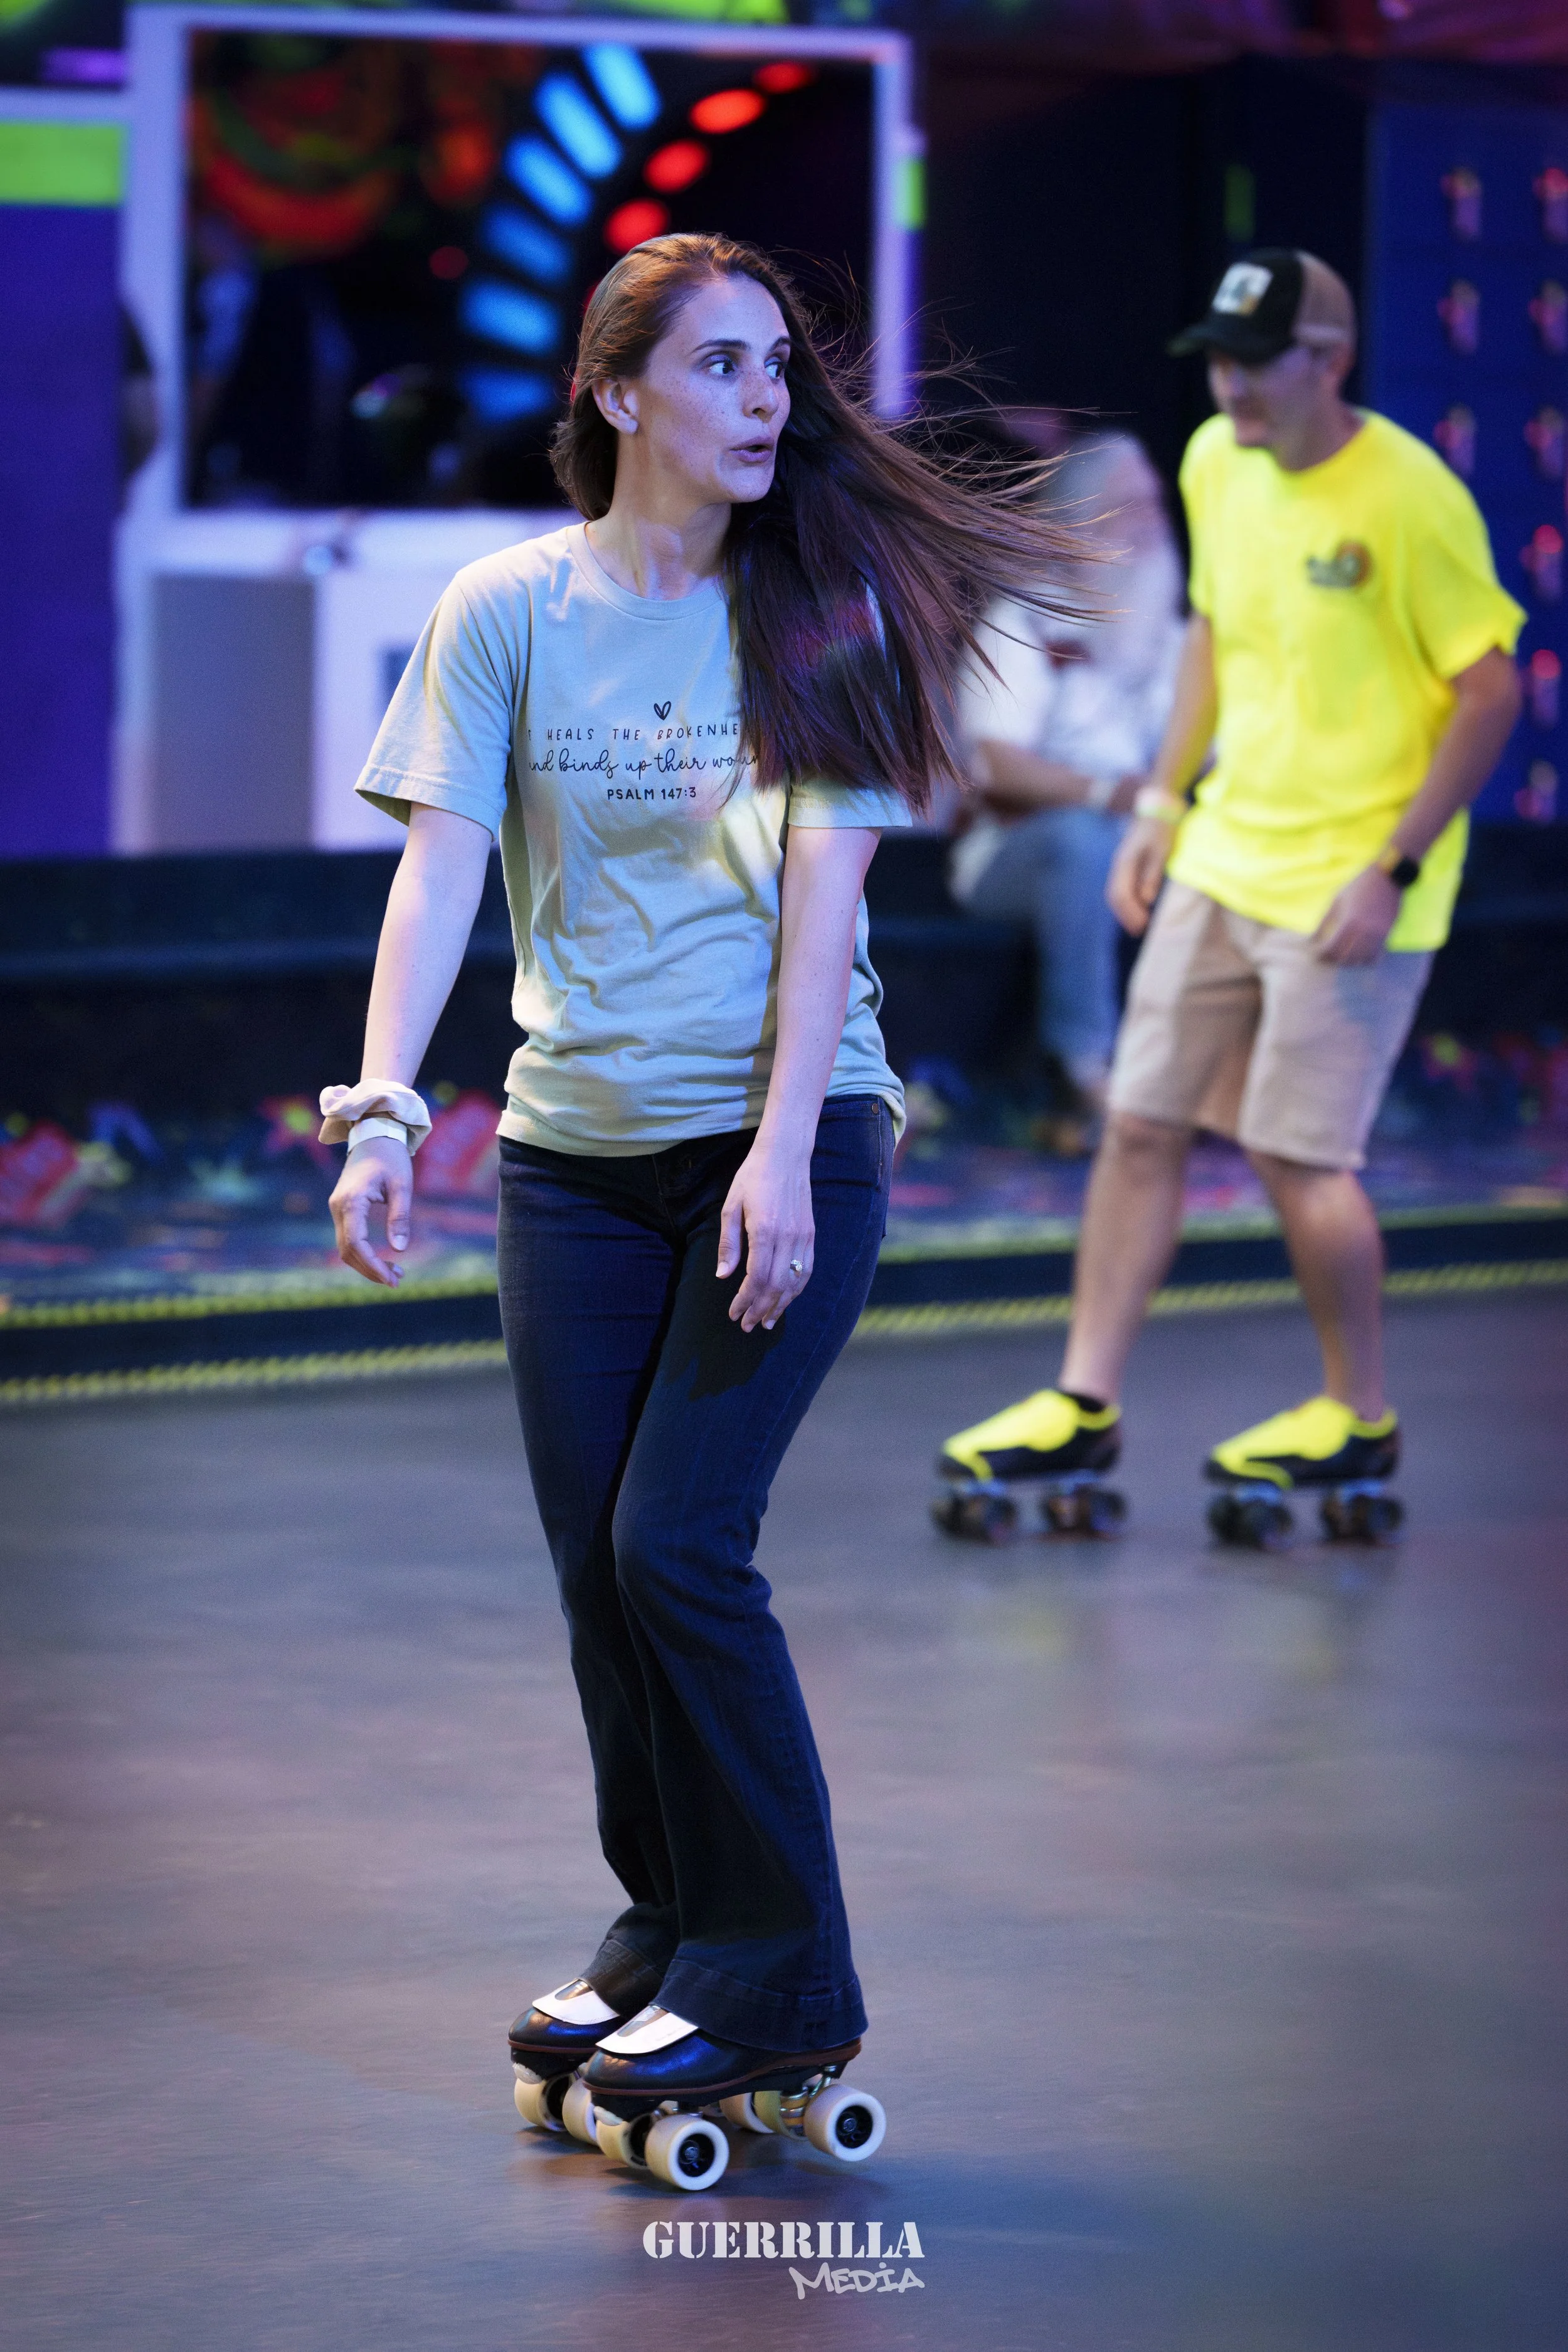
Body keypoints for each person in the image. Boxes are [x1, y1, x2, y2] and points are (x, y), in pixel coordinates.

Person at [319, 233, 1083, 2162]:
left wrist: (774, 1150)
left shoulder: (815, 605)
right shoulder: (505, 607)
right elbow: (441, 874)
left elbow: (825, 909)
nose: (768, 399)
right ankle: (666, 1919)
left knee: (680, 1546)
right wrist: (388, 1106)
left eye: (777, 368)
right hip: (572, 1160)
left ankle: (774, 1973)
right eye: (724, 367)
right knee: (600, 1571)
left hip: (788, 1132)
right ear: (615, 393)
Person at [941, 248, 1523, 1510]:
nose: (1231, 386)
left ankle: (1354, 1415)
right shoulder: (1214, 459)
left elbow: (1491, 693)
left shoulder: (1406, 499)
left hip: (1352, 877)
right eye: (1217, 359)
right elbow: (1212, 632)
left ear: (1329, 360)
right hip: (1225, 849)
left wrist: (1391, 866)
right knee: (1141, 1124)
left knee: (1296, 1157)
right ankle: (1082, 1401)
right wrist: (1157, 801)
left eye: (1256, 363)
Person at [950, 431, 1186, 1136]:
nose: (1146, 524)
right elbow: (995, 764)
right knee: (1084, 842)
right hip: (1015, 852)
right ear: (1078, 517)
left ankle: (1220, 1076)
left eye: (1152, 506)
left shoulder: (1173, 637)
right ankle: (1084, 1066)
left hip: (1137, 842)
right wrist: (1106, 793)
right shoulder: (1019, 619)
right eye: (1123, 507)